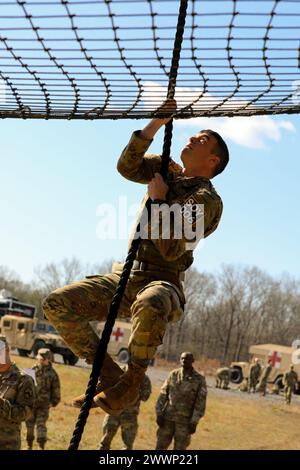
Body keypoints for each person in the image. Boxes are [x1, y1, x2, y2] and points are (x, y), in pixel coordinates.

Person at [42, 100, 229, 415]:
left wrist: (158, 201)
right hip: (126, 277)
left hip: (161, 282)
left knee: (153, 300)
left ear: (212, 160)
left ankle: (132, 383)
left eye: (202, 140)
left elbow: (172, 248)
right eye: (194, 134)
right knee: (56, 304)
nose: (192, 138)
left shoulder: (207, 200)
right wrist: (155, 124)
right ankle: (108, 374)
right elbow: (126, 166)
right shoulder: (165, 171)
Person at [155, 352, 207, 450]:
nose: (184, 361)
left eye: (187, 359)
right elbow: (163, 394)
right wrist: (159, 413)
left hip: (184, 423)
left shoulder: (199, 379)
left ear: (192, 361)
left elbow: (201, 402)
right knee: (160, 447)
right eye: (182, 358)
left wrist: (194, 422)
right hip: (167, 420)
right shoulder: (173, 374)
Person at [99, 370, 151, 450]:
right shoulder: (117, 371)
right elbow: (105, 385)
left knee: (128, 446)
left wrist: (135, 390)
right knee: (104, 442)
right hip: (114, 412)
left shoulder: (144, 379)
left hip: (130, 416)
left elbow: (145, 397)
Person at [0, 334, 36, 450]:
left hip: (7, 444)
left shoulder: (24, 379)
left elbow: (26, 413)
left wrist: (2, 404)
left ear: (7, 350)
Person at [25, 348, 61, 450]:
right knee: (29, 424)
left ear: (48, 359)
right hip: (31, 404)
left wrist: (53, 403)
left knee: (41, 425)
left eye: (43, 359)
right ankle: (29, 445)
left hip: (44, 405)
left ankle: (41, 446)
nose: (40, 360)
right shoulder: (32, 369)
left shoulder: (52, 374)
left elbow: (56, 390)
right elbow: (26, 386)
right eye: (39, 358)